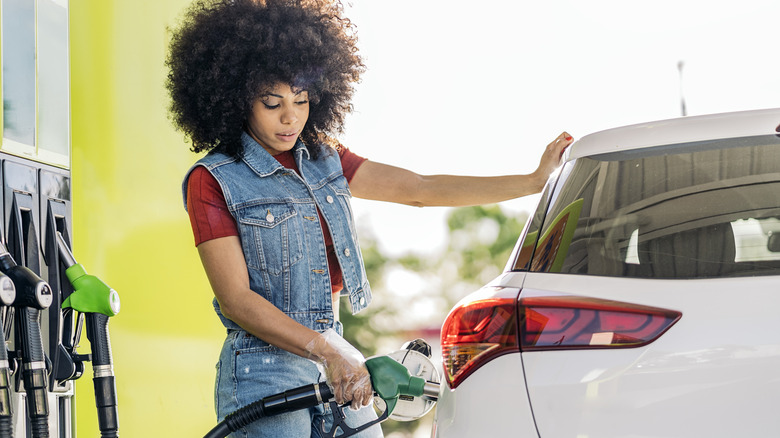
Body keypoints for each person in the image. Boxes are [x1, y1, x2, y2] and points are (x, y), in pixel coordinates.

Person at [166, 0, 572, 436]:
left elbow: (420, 189)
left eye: (301, 100)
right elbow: (237, 301)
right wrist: (326, 352)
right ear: (237, 98)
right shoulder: (213, 180)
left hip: (337, 351)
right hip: (263, 370)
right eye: (272, 103)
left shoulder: (326, 159)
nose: (291, 117)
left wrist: (532, 181)